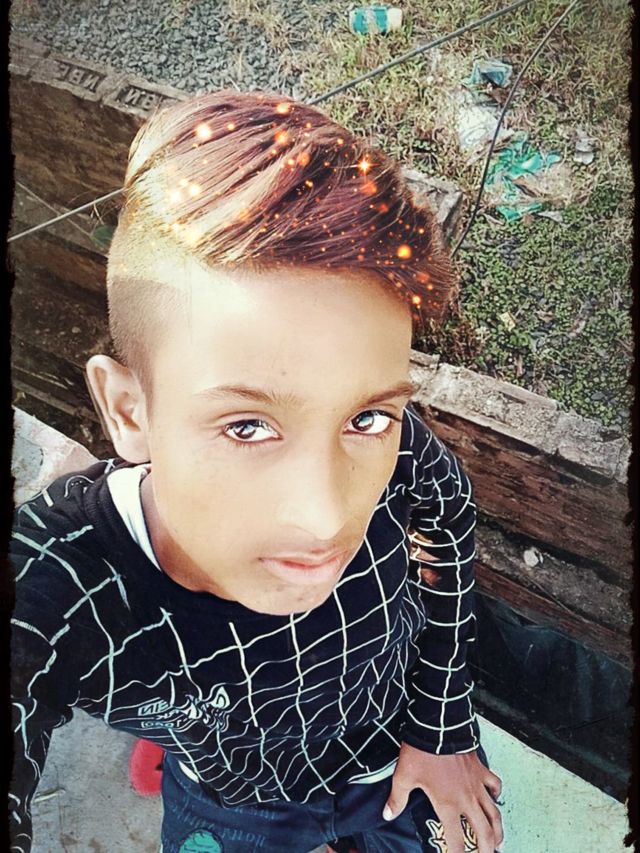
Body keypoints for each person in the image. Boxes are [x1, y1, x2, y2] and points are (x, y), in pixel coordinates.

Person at [9, 89, 503, 853]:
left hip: (392, 749)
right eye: (247, 425)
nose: (325, 516)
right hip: (235, 797)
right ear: (129, 410)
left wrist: (442, 723)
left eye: (366, 416)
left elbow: (447, 514)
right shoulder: (61, 581)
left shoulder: (398, 447)